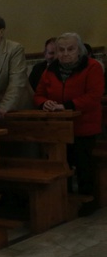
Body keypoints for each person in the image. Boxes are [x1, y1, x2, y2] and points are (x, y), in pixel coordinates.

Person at [34, 32, 104, 216]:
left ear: (79, 50)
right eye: (61, 50)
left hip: (85, 125)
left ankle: (88, 201)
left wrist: (66, 106)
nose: (65, 53)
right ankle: (66, 198)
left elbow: (94, 95)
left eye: (70, 49)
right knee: (62, 163)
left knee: (83, 165)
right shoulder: (50, 69)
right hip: (58, 127)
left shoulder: (92, 67)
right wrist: (44, 103)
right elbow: (39, 94)